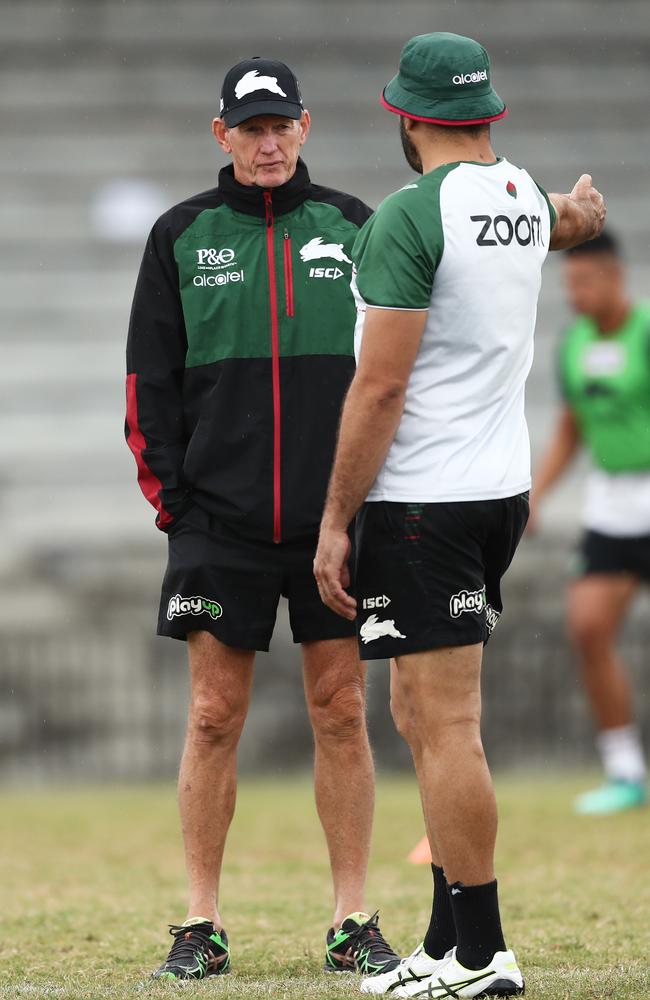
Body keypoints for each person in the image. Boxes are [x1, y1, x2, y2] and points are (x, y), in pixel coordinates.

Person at [314, 31, 605, 1000]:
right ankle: (443, 941)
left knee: (443, 727)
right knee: (416, 711)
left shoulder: (407, 215)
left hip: (423, 499)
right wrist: (580, 210)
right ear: (487, 117)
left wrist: (332, 515)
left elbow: (379, 386)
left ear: (404, 117)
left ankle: (481, 953)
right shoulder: (520, 195)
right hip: (496, 493)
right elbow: (562, 220)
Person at [125, 56, 399, 982]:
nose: (268, 141)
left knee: (342, 710)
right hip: (218, 522)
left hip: (336, 521)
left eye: (282, 125)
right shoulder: (179, 236)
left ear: (307, 127)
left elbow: (392, 370)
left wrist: (363, 507)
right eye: (251, 128)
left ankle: (351, 917)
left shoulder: (356, 228)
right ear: (222, 137)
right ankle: (200, 922)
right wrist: (177, 503)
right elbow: (144, 385)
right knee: (211, 716)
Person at [530, 231, 648, 815]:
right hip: (612, 505)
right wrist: (538, 495)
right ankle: (625, 771)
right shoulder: (573, 343)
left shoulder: (645, 332)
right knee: (587, 626)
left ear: (614, 277)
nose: (574, 294)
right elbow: (573, 428)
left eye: (584, 281)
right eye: (568, 283)